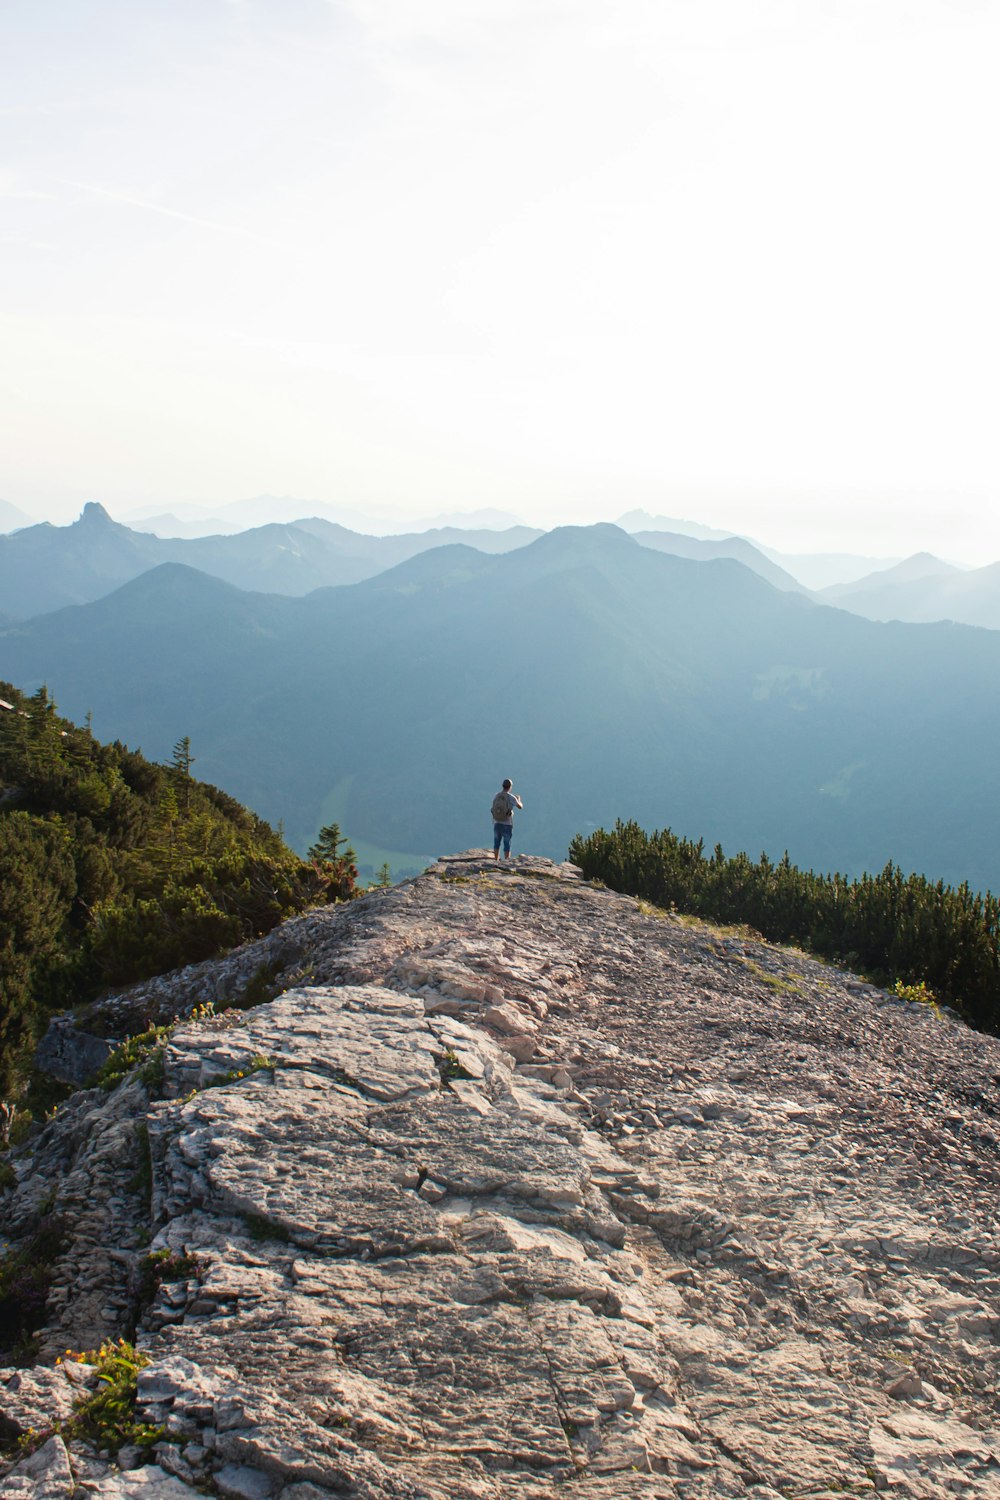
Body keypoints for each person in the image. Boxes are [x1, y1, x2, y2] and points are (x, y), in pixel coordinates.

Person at [491, 778, 523, 861]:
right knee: (507, 843)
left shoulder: (496, 795)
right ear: (510, 787)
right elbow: (520, 807)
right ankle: (506, 861)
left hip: (497, 822)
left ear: (503, 786)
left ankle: (495, 860)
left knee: (496, 842)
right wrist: (518, 799)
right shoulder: (511, 797)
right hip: (507, 823)